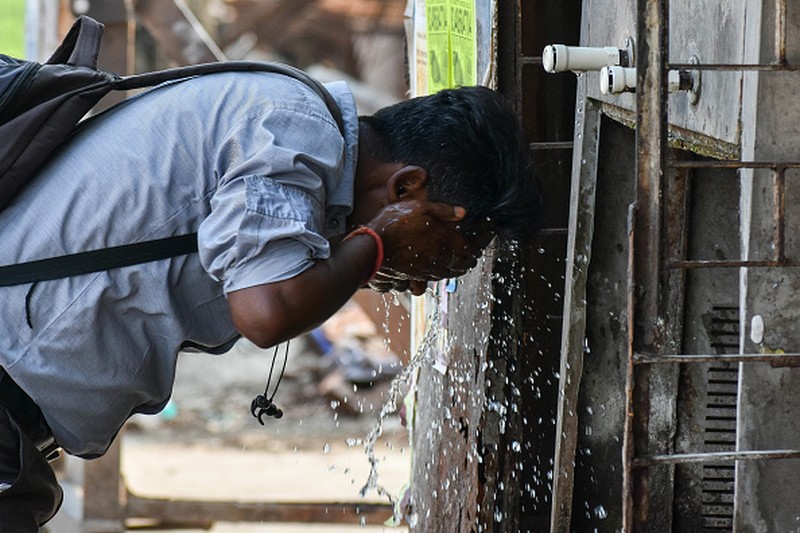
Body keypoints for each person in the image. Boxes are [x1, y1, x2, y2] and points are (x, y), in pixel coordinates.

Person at [0, 68, 541, 529]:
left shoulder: (298, 131)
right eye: (435, 255)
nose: (420, 283)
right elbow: (268, 309)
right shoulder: (293, 127)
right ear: (405, 193)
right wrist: (377, 242)